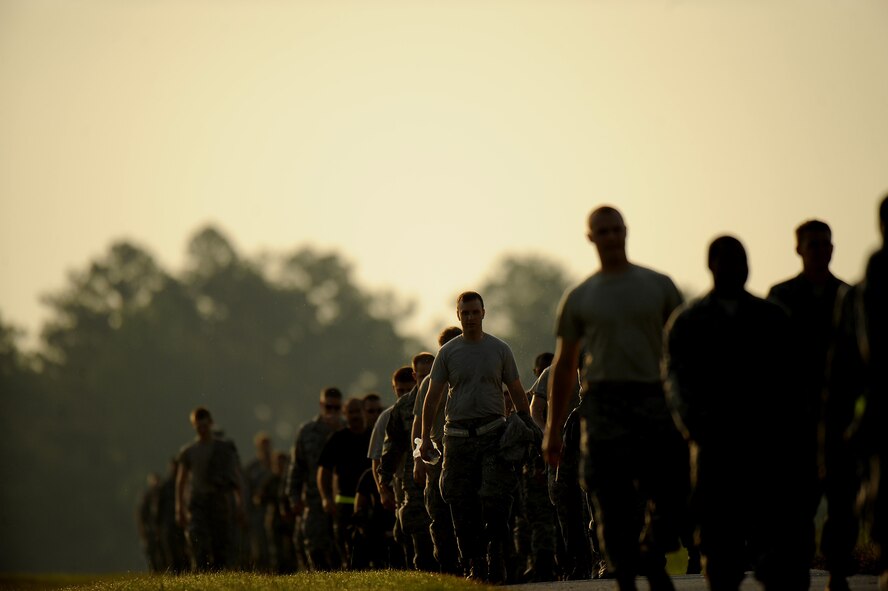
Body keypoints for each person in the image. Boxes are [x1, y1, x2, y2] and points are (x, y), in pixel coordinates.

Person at [543, 206, 686, 591]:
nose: (609, 238)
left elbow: (685, 349)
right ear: (590, 238)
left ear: (626, 231)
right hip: (602, 404)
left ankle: (651, 551)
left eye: (615, 230)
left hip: (653, 399)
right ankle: (624, 572)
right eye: (601, 232)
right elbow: (564, 364)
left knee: (669, 489)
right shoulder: (580, 296)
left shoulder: (659, 286)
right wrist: (553, 430)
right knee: (608, 498)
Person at [665, 235, 809, 591]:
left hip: (766, 449)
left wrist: (785, 432)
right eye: (726, 261)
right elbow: (676, 383)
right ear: (711, 265)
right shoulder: (689, 321)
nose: (734, 268)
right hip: (712, 450)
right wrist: (696, 428)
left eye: (739, 260)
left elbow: (793, 382)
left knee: (776, 553)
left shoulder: (772, 317)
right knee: (719, 550)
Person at [418, 291, 534, 583]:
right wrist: (425, 439)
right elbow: (431, 400)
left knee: (496, 500)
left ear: (483, 313)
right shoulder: (448, 353)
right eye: (464, 313)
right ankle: (475, 562)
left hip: (493, 434)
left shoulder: (499, 349)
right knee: (460, 502)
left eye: (474, 312)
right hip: (457, 436)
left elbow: (517, 389)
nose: (469, 317)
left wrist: (526, 422)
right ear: (458, 315)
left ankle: (496, 556)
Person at [767, 220, 849, 587]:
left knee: (843, 503)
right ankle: (798, 572)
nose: (819, 251)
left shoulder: (848, 296)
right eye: (812, 245)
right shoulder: (781, 297)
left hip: (840, 418)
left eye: (824, 244)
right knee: (796, 509)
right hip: (794, 420)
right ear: (798, 249)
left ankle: (838, 571)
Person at [411, 327, 463, 575]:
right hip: (437, 455)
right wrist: (417, 460)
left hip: (464, 451)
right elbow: (419, 425)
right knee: (439, 515)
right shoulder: (431, 382)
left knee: (467, 510)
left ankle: (472, 562)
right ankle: (448, 567)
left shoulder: (470, 375)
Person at [378, 353, 437, 571]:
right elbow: (392, 445)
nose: (425, 380)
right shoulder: (403, 407)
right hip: (414, 474)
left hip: (443, 469)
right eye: (421, 377)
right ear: (414, 377)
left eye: (430, 375)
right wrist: (384, 478)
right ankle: (422, 567)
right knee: (415, 522)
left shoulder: (447, 396)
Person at [175, 406, 246, 571]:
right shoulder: (189, 452)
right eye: (198, 427)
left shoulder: (224, 449)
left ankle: (219, 575)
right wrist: (179, 508)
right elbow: (181, 481)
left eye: (204, 426)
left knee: (220, 542)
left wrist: (240, 503)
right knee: (197, 540)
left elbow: (236, 477)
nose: (202, 430)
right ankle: (200, 572)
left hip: (219, 502)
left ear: (211, 424)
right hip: (198, 503)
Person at [285, 387, 345, 570]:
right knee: (314, 546)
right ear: (321, 405)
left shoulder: (347, 429)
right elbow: (297, 467)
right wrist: (293, 497)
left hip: (341, 499)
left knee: (340, 548)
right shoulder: (307, 431)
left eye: (336, 408)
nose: (332, 412)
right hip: (313, 500)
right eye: (328, 407)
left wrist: (339, 430)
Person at [317, 395, 374, 568]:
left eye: (358, 411)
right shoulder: (338, 439)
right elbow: (324, 471)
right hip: (345, 507)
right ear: (345, 414)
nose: (355, 415)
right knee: (348, 554)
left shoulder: (374, 435)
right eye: (350, 412)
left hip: (371, 506)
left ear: (364, 411)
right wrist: (326, 497)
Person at [243, 431, 273, 571]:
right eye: (263, 446)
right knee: (259, 545)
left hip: (275, 511)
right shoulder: (252, 468)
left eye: (267, 445)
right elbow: (246, 491)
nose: (266, 449)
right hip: (257, 512)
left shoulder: (277, 465)